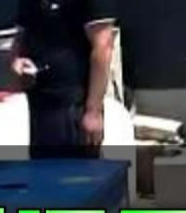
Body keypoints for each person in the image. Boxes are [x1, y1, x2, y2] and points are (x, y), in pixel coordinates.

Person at [11, 0, 118, 159]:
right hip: (38, 105)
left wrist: (93, 111)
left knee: (77, 169)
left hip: (73, 106)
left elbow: (103, 46)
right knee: (42, 169)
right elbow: (21, 38)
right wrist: (17, 61)